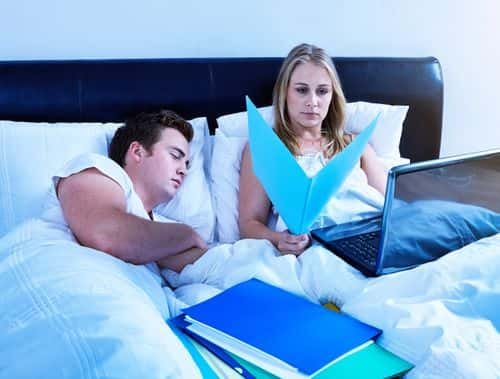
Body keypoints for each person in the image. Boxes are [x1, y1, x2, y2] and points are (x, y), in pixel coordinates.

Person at [239, 43, 388, 256]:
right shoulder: (266, 148)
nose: (313, 102)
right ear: (285, 93)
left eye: (322, 91)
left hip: (373, 242)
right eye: (301, 90)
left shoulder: (356, 145)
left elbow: (396, 210)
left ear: (332, 96)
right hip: (319, 251)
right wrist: (281, 240)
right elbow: (248, 224)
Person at [55, 109, 208, 273]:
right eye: (175, 155)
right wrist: (187, 235)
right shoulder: (95, 168)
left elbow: (207, 266)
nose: (183, 170)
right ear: (137, 151)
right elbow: (107, 235)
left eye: (187, 164)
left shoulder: (160, 228)